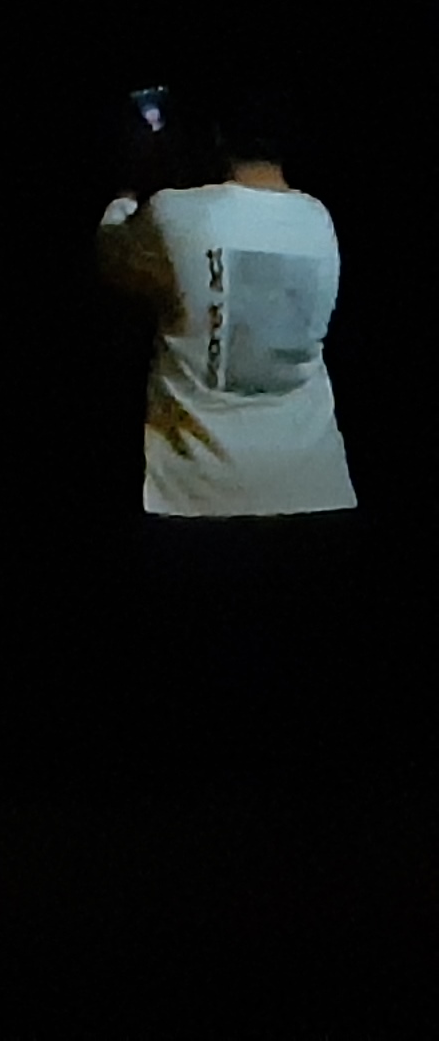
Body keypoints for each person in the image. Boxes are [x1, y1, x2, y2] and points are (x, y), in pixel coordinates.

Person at [94, 83, 366, 809]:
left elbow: (113, 254)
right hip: (310, 489)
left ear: (215, 136)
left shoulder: (178, 212)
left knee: (195, 705)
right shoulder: (320, 218)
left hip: (195, 494)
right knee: (293, 704)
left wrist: (130, 180)